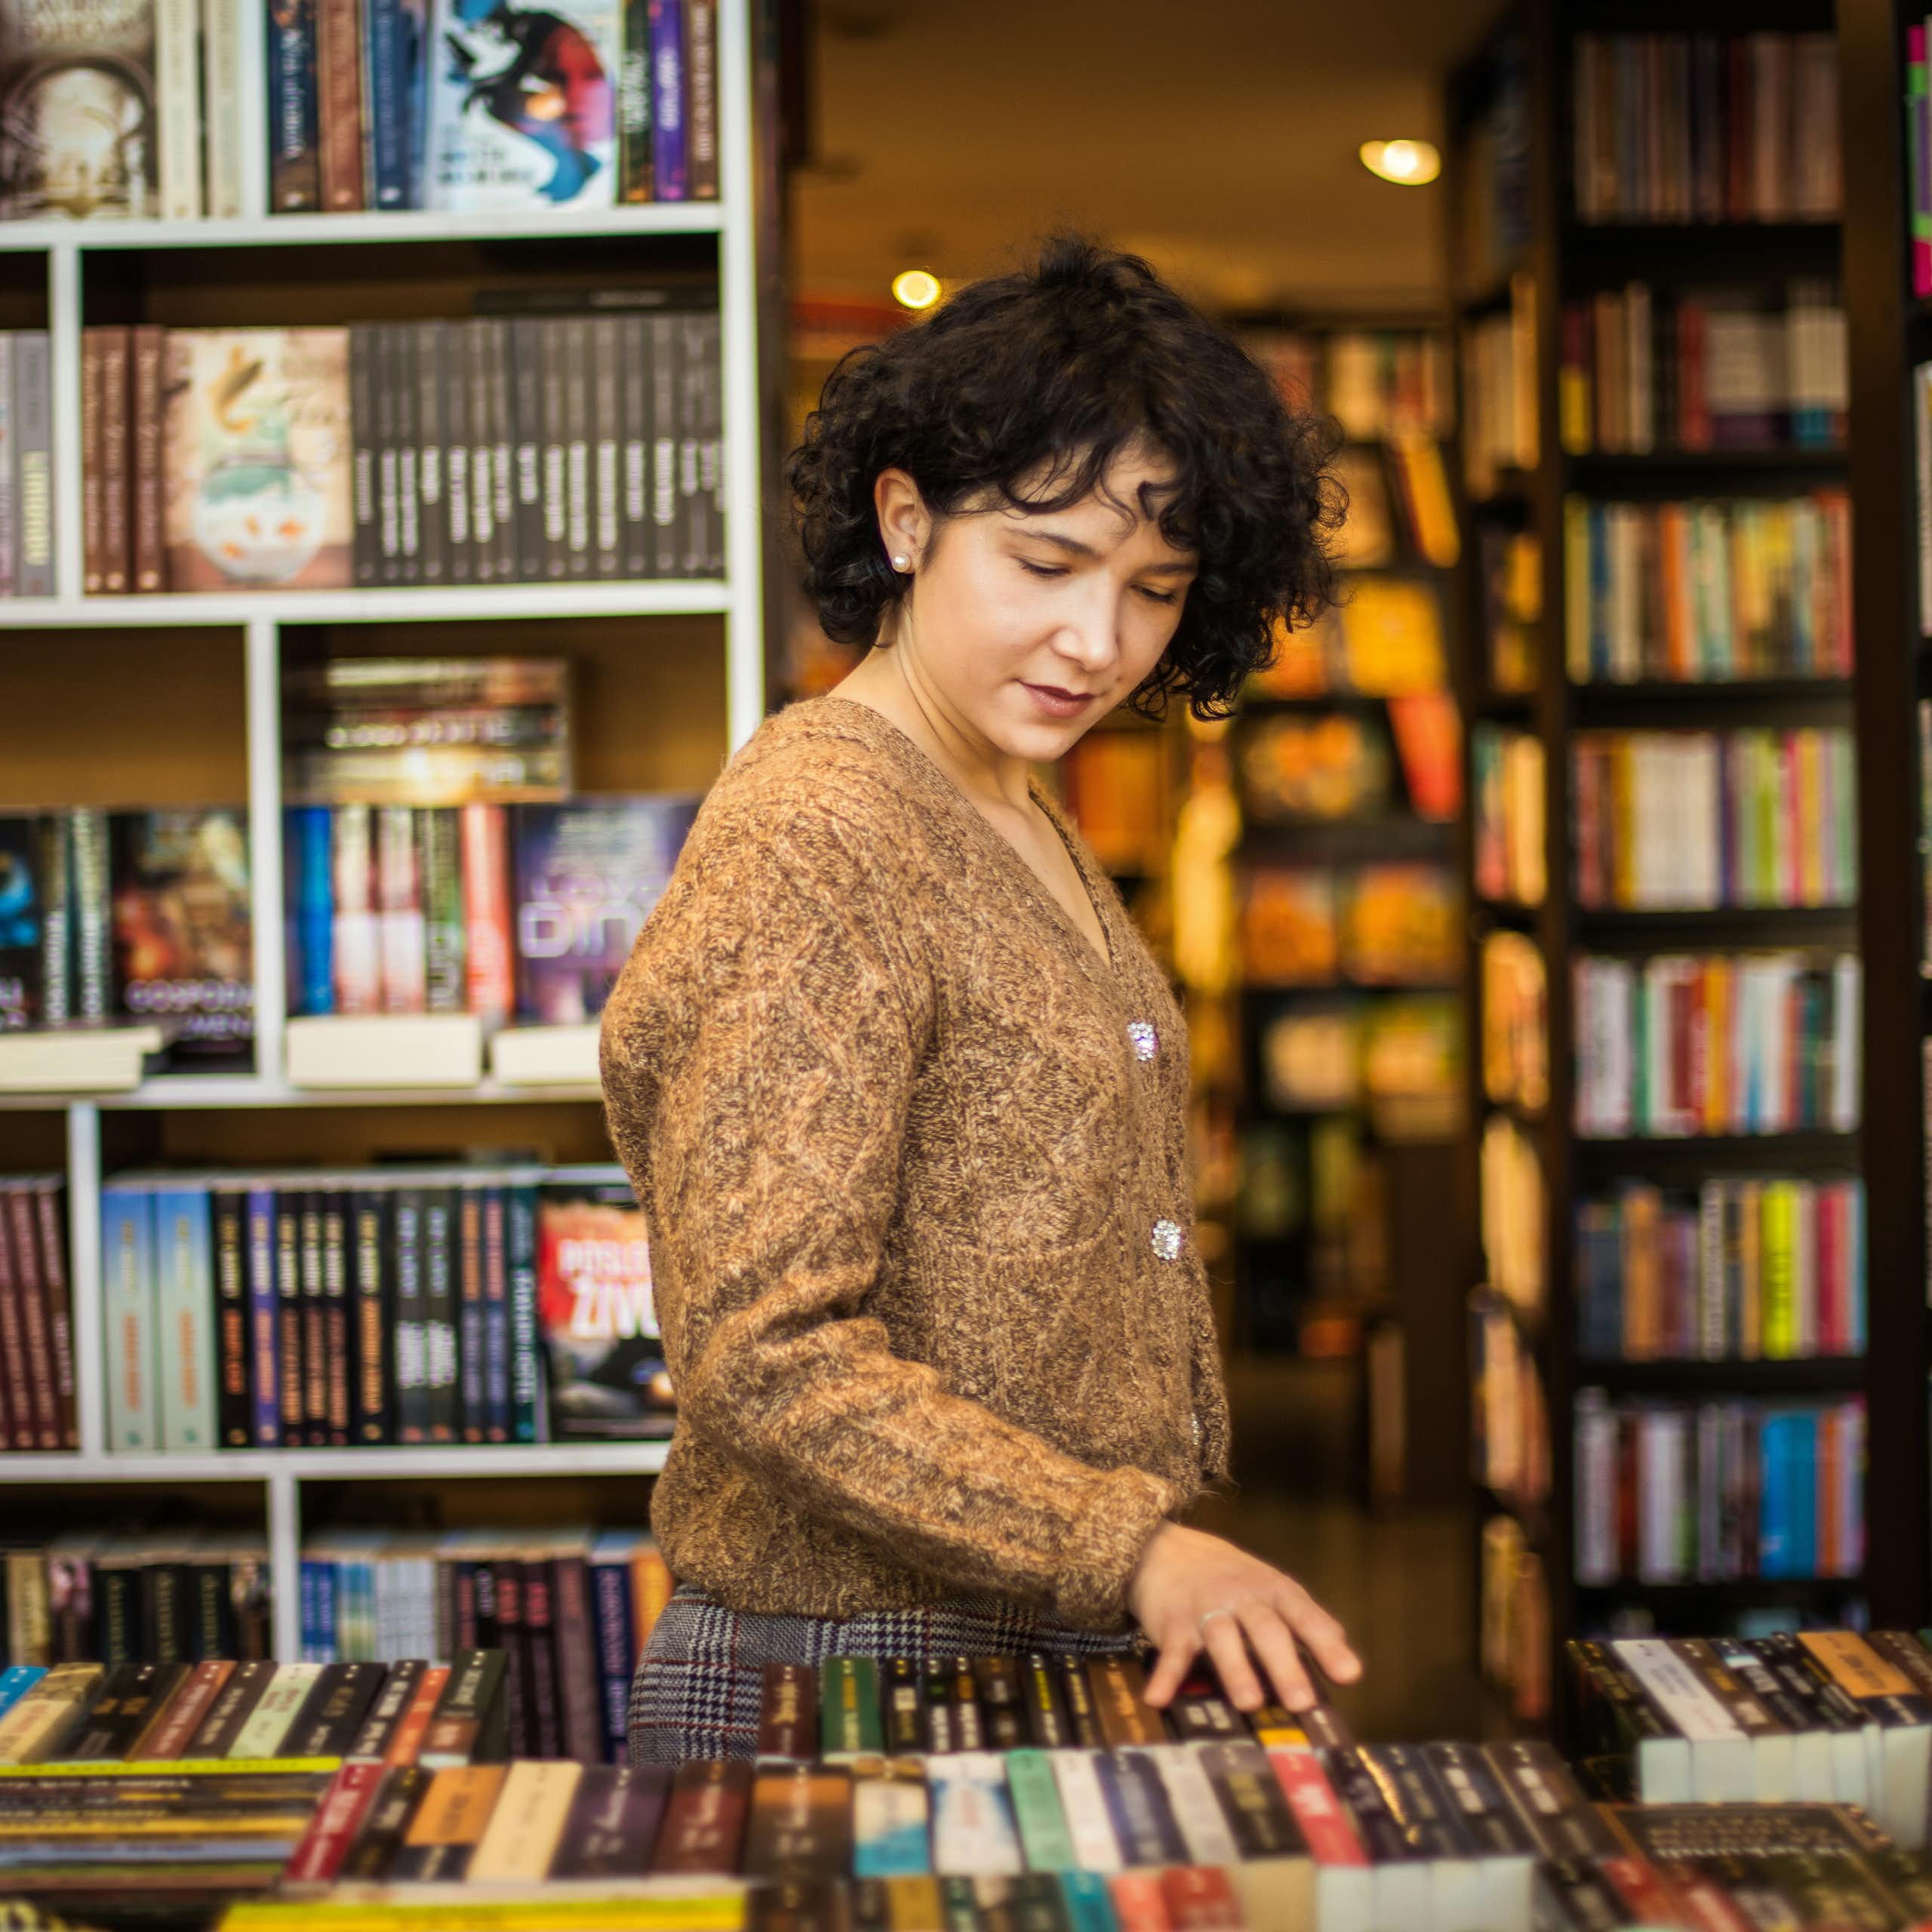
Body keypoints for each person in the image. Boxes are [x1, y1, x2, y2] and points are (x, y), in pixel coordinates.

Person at [601, 234, 1360, 1764]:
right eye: (1043, 563)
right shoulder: (817, 834)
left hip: (1009, 1649)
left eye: (1154, 589)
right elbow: (767, 1350)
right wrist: (1134, 1545)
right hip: (836, 1681)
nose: (1098, 640)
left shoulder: (1004, 792)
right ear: (903, 519)